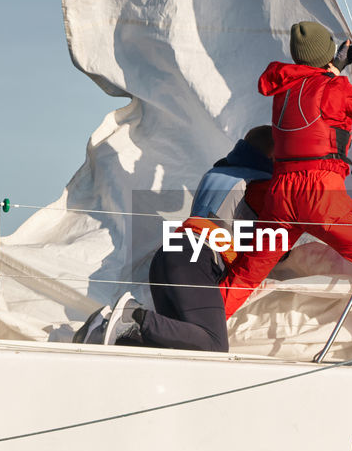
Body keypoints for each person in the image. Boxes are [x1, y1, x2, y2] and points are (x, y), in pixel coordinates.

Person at [220, 20, 352, 362]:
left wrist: (334, 67)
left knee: (248, 270)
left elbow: (309, 92)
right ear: (324, 56)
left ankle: (200, 321)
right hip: (321, 197)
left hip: (281, 197)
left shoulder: (282, 91)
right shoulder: (335, 89)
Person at [74, 130, 273, 352]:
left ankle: (102, 329)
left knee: (179, 343)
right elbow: (270, 240)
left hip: (173, 254)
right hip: (196, 258)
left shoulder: (218, 172)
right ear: (272, 156)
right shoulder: (260, 185)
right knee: (213, 345)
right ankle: (131, 317)